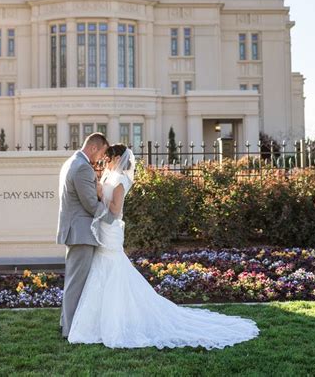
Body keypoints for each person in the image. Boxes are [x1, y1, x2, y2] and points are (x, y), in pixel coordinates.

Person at [68, 144, 259, 349]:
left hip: (111, 230)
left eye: (109, 157)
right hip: (103, 230)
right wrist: (98, 190)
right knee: (102, 269)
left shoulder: (121, 180)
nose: (105, 161)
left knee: (113, 269)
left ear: (117, 158)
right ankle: (98, 321)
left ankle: (118, 320)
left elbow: (115, 210)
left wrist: (98, 192)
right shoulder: (108, 176)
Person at [56, 132, 114, 337]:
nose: (101, 159)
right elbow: (90, 203)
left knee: (74, 280)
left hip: (77, 231)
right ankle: (70, 330)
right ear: (93, 148)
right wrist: (112, 218)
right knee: (76, 282)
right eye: (102, 153)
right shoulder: (81, 167)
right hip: (81, 233)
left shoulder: (70, 163)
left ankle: (67, 324)